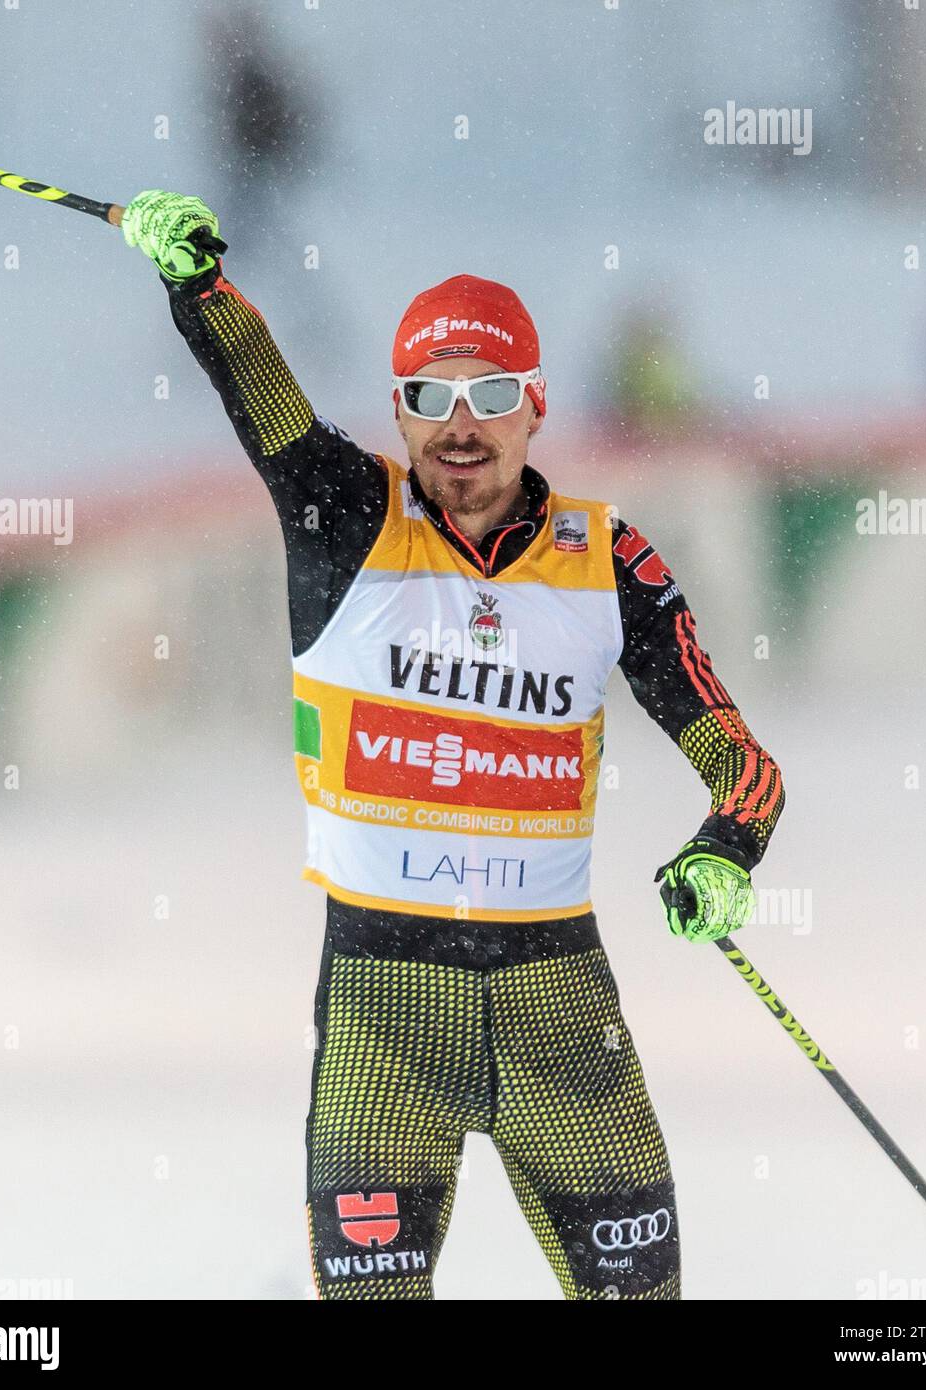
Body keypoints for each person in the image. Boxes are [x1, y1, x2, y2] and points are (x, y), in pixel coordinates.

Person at [121, 191, 786, 1301]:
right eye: (430, 398)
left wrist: (726, 845)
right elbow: (258, 385)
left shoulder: (605, 558)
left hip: (560, 1013)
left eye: (487, 395)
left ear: (534, 407)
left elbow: (738, 757)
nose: (459, 426)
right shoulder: (342, 511)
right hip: (385, 1018)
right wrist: (197, 283)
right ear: (400, 410)